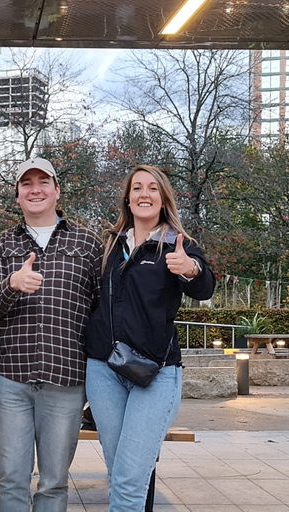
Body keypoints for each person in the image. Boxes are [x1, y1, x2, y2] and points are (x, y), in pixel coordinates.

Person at [84, 165, 216, 512]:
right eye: (137, 188)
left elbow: (204, 285)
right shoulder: (109, 245)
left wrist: (190, 269)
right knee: (121, 475)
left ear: (163, 199)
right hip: (103, 371)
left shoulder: (177, 243)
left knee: (129, 481)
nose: (145, 194)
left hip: (155, 373)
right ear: (127, 198)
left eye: (153, 188)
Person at [0, 157, 103, 512]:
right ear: (17, 196)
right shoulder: (4, 244)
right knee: (11, 480)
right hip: (11, 381)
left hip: (65, 380)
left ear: (57, 191)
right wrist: (12, 284)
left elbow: (102, 312)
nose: (35, 189)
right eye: (26, 184)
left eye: (43, 182)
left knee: (53, 483)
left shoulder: (88, 244)